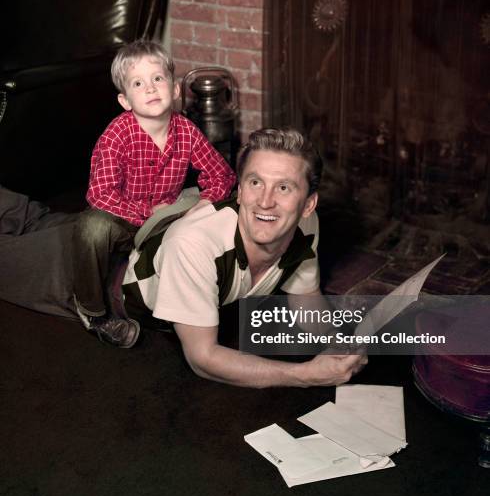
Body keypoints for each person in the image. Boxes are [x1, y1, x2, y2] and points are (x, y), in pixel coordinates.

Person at [0, 128, 366, 387]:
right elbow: (203, 358)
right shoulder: (195, 243)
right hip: (89, 275)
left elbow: (305, 302)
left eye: (284, 187)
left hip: (121, 238)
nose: (266, 201)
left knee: (32, 217)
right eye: (255, 182)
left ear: (308, 204)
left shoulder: (306, 225)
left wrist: (335, 342)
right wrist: (305, 376)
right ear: (239, 191)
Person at [71, 40, 236, 348]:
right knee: (91, 227)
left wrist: (203, 204)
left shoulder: (185, 130)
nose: (150, 88)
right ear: (125, 100)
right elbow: (100, 194)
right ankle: (94, 313)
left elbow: (221, 173)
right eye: (138, 83)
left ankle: (179, 307)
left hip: (164, 219)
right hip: (122, 220)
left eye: (158, 79)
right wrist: (148, 211)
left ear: (174, 89)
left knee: (202, 220)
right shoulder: (117, 134)